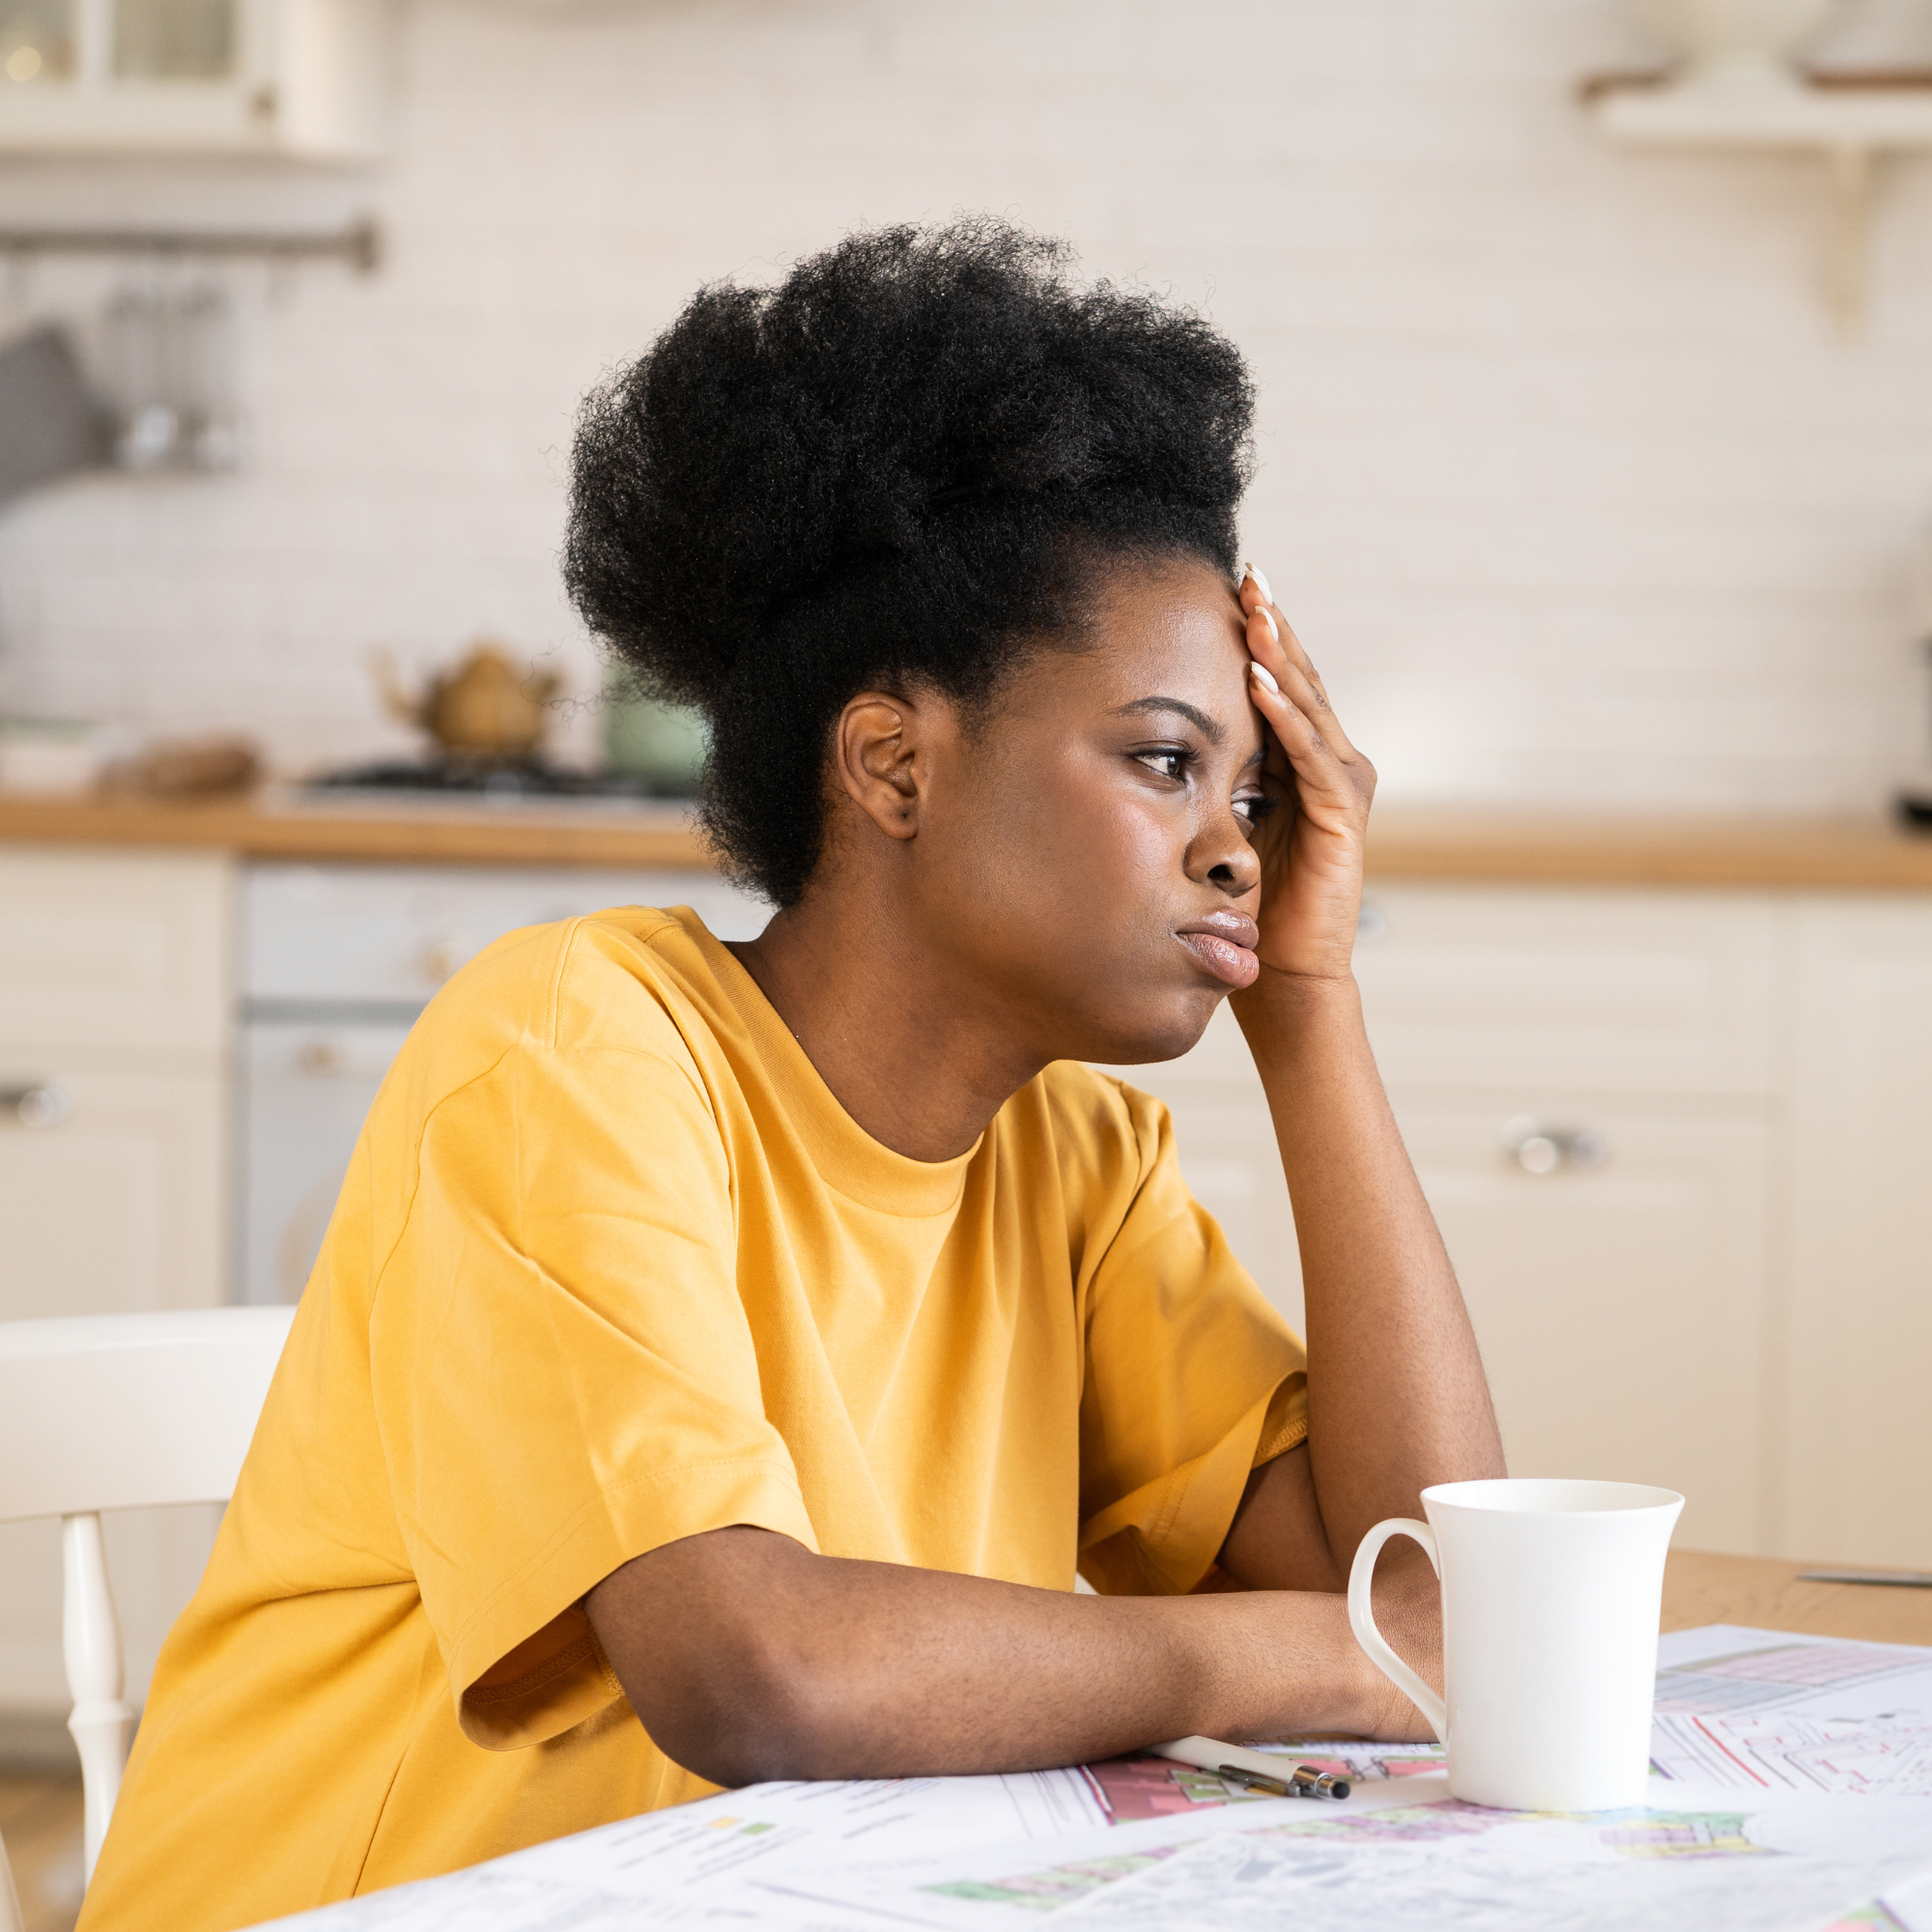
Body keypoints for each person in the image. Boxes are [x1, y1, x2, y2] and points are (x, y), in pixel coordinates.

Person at [79, 221, 1503, 1932]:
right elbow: (757, 1672)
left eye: (1256, 800)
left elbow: (1424, 1593)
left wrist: (1315, 1007)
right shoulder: (580, 1047)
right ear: (894, 762)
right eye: (1163, 762)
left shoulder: (1077, 1163)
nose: (1237, 850)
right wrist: (1313, 1665)